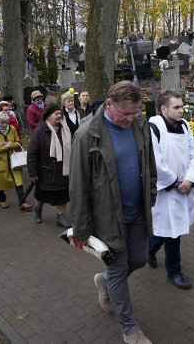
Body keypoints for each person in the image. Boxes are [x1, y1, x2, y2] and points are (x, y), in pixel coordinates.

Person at [70, 81, 157, 344]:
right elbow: (78, 185)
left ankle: (105, 281)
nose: (130, 118)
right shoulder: (87, 135)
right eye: (125, 113)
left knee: (139, 259)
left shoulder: (141, 127)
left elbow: (149, 166)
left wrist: (150, 196)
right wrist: (81, 229)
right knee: (120, 269)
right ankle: (130, 329)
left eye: (135, 112)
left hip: (137, 212)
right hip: (108, 218)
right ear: (109, 104)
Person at [147, 91, 194, 290]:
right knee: (172, 233)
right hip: (166, 189)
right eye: (176, 107)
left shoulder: (185, 125)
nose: (181, 111)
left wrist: (188, 179)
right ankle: (174, 271)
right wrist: (174, 182)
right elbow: (155, 160)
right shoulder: (153, 127)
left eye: (182, 106)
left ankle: (149, 250)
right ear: (163, 109)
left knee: (170, 229)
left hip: (183, 187)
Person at [28, 104, 72, 227]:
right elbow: (32, 153)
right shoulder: (40, 131)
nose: (59, 116)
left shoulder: (65, 129)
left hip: (63, 170)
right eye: (56, 114)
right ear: (48, 116)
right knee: (41, 195)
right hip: (45, 171)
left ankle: (60, 217)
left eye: (60, 114)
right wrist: (33, 172)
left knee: (63, 195)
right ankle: (38, 210)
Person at [0, 111, 33, 211]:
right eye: (2, 122)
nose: (4, 125)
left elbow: (18, 142)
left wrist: (12, 144)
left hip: (13, 160)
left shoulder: (11, 129)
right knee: (0, 182)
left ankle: (22, 201)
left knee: (18, 181)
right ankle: (2, 200)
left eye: (6, 122)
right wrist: (3, 148)